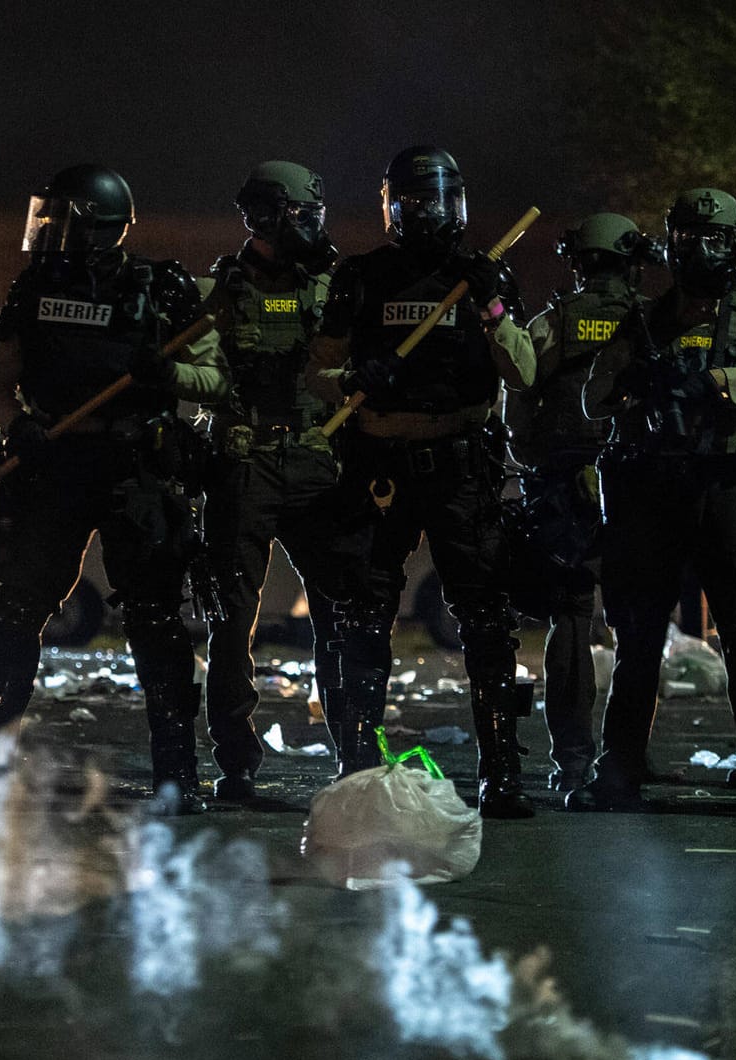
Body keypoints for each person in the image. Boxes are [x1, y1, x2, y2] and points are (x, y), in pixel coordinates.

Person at [0, 163, 222, 813]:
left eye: (59, 220)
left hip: (136, 463)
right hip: (55, 461)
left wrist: (166, 378)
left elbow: (218, 377)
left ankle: (177, 775)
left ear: (93, 224)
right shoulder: (34, 289)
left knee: (156, 620)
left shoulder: (160, 289)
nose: (46, 231)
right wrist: (15, 424)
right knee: (16, 608)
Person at [305, 146, 539, 819]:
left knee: (487, 622)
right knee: (365, 616)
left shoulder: (482, 280)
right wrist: (355, 377)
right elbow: (315, 376)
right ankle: (358, 767)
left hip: (463, 466)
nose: (433, 213)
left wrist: (492, 303)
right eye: (419, 201)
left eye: (443, 200)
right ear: (395, 206)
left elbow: (521, 370)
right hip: (381, 467)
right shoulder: (363, 280)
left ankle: (501, 771)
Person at [573, 187, 736, 821]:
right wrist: (632, 385)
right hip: (651, 491)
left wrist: (716, 384)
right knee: (640, 640)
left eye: (716, 240)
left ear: (734, 246)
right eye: (688, 241)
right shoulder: (645, 321)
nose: (702, 252)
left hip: (727, 486)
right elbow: (593, 400)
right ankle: (618, 772)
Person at [187, 160, 361, 800]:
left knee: (343, 608)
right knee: (232, 620)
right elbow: (188, 366)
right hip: (246, 459)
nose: (313, 227)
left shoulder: (336, 286)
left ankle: (356, 752)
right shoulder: (223, 290)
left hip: (319, 459)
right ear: (264, 216)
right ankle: (236, 762)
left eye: (315, 214)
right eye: (300, 215)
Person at [505, 212, 658, 791]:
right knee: (637, 620)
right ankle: (625, 758)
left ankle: (572, 757)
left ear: (579, 261)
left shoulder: (554, 321)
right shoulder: (647, 322)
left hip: (561, 479)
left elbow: (517, 395)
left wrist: (533, 457)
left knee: (570, 614)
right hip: (635, 478)